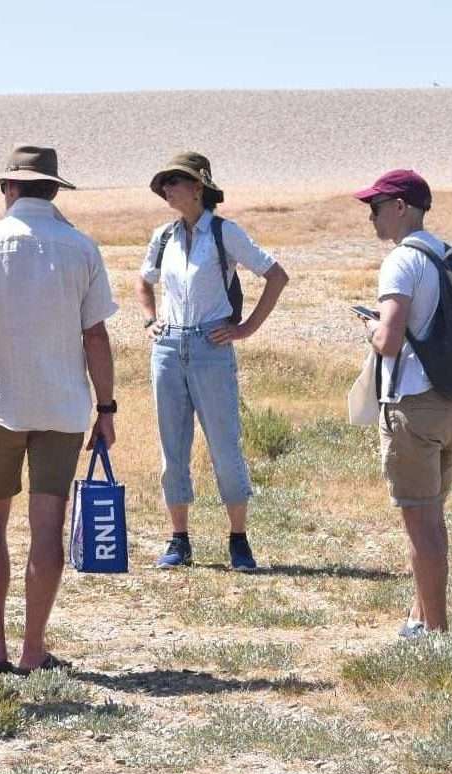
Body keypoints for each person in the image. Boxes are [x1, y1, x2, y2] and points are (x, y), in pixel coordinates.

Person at [0, 144, 117, 675]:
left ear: (9, 189)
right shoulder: (81, 247)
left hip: (1, 399)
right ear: (54, 189)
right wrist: (106, 407)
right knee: (47, 526)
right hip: (63, 404)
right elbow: (96, 335)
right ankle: (33, 649)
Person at [136, 152, 289, 571]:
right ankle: (178, 540)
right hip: (168, 349)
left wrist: (245, 329)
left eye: (175, 182)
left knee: (224, 445)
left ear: (198, 187)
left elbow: (276, 275)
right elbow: (144, 282)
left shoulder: (226, 233)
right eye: (164, 183)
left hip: (211, 348)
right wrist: (151, 321)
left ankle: (238, 539)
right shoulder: (163, 236)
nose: (167, 189)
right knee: (172, 447)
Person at [353, 169, 452, 636]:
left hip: (412, 404)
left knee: (420, 525)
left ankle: (436, 633)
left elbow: (389, 339)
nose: (372, 218)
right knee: (432, 515)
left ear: (400, 206)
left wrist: (368, 326)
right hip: (450, 403)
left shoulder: (401, 261)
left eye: (376, 207)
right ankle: (420, 617)